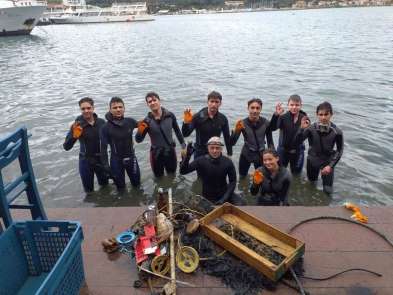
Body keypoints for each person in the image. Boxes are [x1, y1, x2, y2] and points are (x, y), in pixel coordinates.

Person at [295, 101, 344, 194]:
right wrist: (301, 129)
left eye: (326, 114)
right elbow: (297, 142)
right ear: (317, 115)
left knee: (328, 190)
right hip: (312, 160)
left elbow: (340, 150)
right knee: (311, 185)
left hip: (327, 162)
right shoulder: (311, 128)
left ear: (331, 114)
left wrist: (330, 166)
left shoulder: (337, 131)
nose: (323, 117)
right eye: (320, 114)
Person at [180, 136, 244, 205]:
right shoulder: (200, 161)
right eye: (212, 148)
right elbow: (183, 171)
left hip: (225, 194)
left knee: (242, 204)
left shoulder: (227, 162)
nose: (214, 151)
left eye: (217, 148)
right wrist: (188, 156)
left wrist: (224, 199)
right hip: (208, 197)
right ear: (208, 148)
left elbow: (233, 182)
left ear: (221, 149)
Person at [135, 92, 186, 177]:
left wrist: (183, 146)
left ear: (159, 101)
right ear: (147, 104)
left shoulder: (170, 115)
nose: (153, 103)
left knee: (172, 175)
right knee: (158, 179)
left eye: (154, 100)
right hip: (156, 155)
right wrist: (140, 130)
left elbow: (177, 131)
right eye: (150, 101)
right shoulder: (146, 121)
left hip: (170, 152)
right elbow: (138, 140)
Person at [63, 97, 109, 193]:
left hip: (100, 159)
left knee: (105, 187)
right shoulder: (77, 125)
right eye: (83, 109)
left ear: (93, 108)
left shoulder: (101, 122)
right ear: (80, 110)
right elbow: (66, 147)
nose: (86, 111)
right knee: (89, 192)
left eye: (88, 108)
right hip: (85, 161)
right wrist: (74, 136)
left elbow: (110, 140)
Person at [101, 97, 140, 190]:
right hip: (116, 160)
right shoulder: (105, 127)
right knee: (120, 188)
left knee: (137, 185)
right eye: (115, 108)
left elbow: (145, 126)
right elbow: (103, 148)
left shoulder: (130, 121)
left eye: (120, 107)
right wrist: (106, 166)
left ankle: (138, 202)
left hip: (131, 158)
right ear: (110, 109)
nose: (118, 109)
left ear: (124, 108)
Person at [230, 98, 274, 177]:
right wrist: (236, 130)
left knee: (262, 178)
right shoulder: (242, 123)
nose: (255, 111)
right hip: (246, 153)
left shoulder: (266, 123)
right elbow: (232, 143)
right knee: (242, 177)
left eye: (257, 108)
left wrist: (272, 156)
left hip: (261, 155)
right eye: (252, 108)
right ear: (248, 108)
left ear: (261, 109)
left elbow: (270, 142)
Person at [181, 91, 232, 159]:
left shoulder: (223, 119)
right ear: (207, 102)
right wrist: (186, 123)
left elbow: (227, 138)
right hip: (200, 152)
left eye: (216, 102)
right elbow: (185, 134)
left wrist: (229, 154)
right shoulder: (198, 116)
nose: (214, 104)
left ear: (220, 103)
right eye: (212, 101)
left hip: (215, 151)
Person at [270, 94, 308, 175]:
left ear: (301, 105)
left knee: (296, 175)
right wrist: (276, 115)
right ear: (288, 105)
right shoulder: (283, 117)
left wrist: (301, 128)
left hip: (298, 151)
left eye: (297, 105)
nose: (294, 107)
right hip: (283, 150)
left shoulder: (304, 119)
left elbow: (302, 138)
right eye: (292, 105)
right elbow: (272, 128)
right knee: (279, 173)